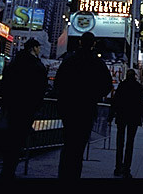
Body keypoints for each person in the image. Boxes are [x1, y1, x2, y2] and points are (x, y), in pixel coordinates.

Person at [54, 31, 113, 178]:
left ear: (80, 42)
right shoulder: (97, 63)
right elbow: (107, 85)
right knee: (79, 147)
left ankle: (63, 177)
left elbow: (58, 83)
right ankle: (73, 177)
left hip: (69, 108)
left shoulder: (69, 60)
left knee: (68, 145)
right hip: (86, 109)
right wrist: (94, 95)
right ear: (93, 44)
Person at [0, 38, 48, 179]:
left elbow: (6, 83)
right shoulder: (36, 65)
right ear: (33, 48)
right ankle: (10, 170)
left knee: (11, 136)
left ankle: (6, 169)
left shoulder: (15, 63)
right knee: (19, 139)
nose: (39, 50)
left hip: (13, 105)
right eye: (38, 48)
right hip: (27, 107)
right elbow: (41, 87)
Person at [109, 69, 143, 178]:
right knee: (130, 144)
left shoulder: (122, 86)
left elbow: (115, 101)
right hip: (133, 118)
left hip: (122, 117)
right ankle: (126, 169)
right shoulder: (138, 87)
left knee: (119, 143)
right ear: (134, 76)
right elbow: (142, 104)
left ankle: (118, 168)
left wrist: (111, 116)